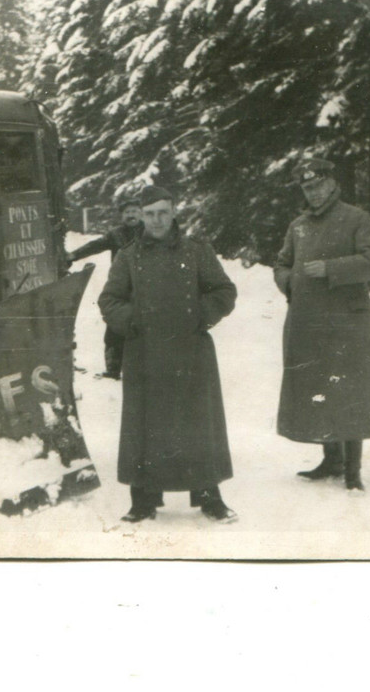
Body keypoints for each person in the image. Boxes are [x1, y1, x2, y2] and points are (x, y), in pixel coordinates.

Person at [99, 186, 239, 523]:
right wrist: (132, 321)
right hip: (144, 354)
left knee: (197, 424)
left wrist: (199, 316)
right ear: (142, 217)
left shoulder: (195, 251)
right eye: (150, 214)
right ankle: (144, 499)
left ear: (174, 211)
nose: (157, 220)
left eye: (163, 212)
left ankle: (209, 496)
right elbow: (110, 300)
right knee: (145, 425)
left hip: (191, 352)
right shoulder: (129, 256)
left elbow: (224, 290)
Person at [274, 156, 370, 491]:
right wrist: (289, 282)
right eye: (306, 188)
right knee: (318, 386)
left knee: (351, 391)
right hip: (308, 321)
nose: (312, 193)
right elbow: (281, 263)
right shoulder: (298, 226)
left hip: (347, 322)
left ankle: (353, 472)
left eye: (317, 185)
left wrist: (331, 269)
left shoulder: (356, 218)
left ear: (331, 184)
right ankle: (331, 460)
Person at [66, 197, 145, 379]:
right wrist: (73, 255)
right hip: (120, 287)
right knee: (115, 326)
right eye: (127, 212)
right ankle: (113, 369)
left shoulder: (149, 233)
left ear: (141, 214)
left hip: (146, 286)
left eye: (134, 211)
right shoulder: (116, 234)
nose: (131, 215)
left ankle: (144, 370)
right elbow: (95, 246)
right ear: (121, 216)